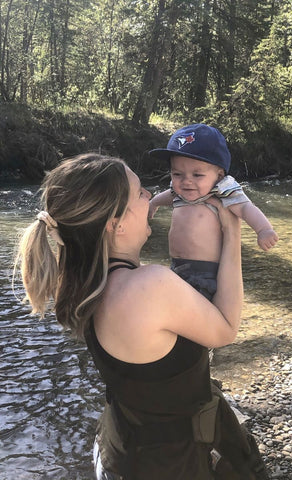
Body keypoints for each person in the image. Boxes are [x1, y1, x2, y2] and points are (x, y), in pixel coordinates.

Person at [15, 153, 269, 479]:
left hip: (121, 448)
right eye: (139, 193)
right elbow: (226, 329)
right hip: (171, 463)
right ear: (115, 223)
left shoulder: (79, 281)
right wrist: (231, 231)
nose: (150, 194)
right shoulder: (150, 286)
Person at [149, 123, 278, 301]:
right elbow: (168, 196)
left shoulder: (221, 191)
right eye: (177, 174)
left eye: (197, 175)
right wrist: (153, 204)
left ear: (219, 175)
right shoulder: (178, 192)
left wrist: (263, 229)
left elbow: (245, 207)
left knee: (195, 315)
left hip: (205, 273)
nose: (186, 181)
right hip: (176, 267)